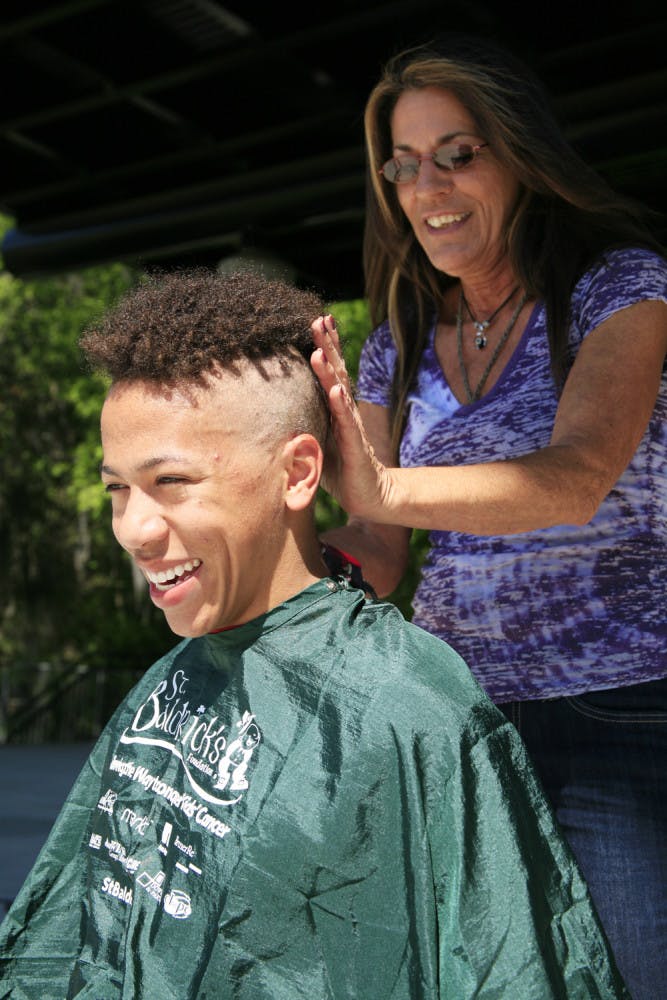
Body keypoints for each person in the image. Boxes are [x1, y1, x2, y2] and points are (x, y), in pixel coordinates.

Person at [0, 269, 629, 999]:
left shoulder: (407, 709)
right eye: (117, 489)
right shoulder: (172, 678)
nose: (134, 531)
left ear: (298, 472)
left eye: (171, 482)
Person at [309, 32, 667, 1000]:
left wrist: (381, 489)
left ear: (520, 159)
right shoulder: (396, 339)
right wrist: (261, 555)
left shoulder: (619, 288)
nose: (427, 184)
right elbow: (378, 544)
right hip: (458, 716)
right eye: (403, 163)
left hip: (622, 713)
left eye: (457, 153)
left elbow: (577, 474)